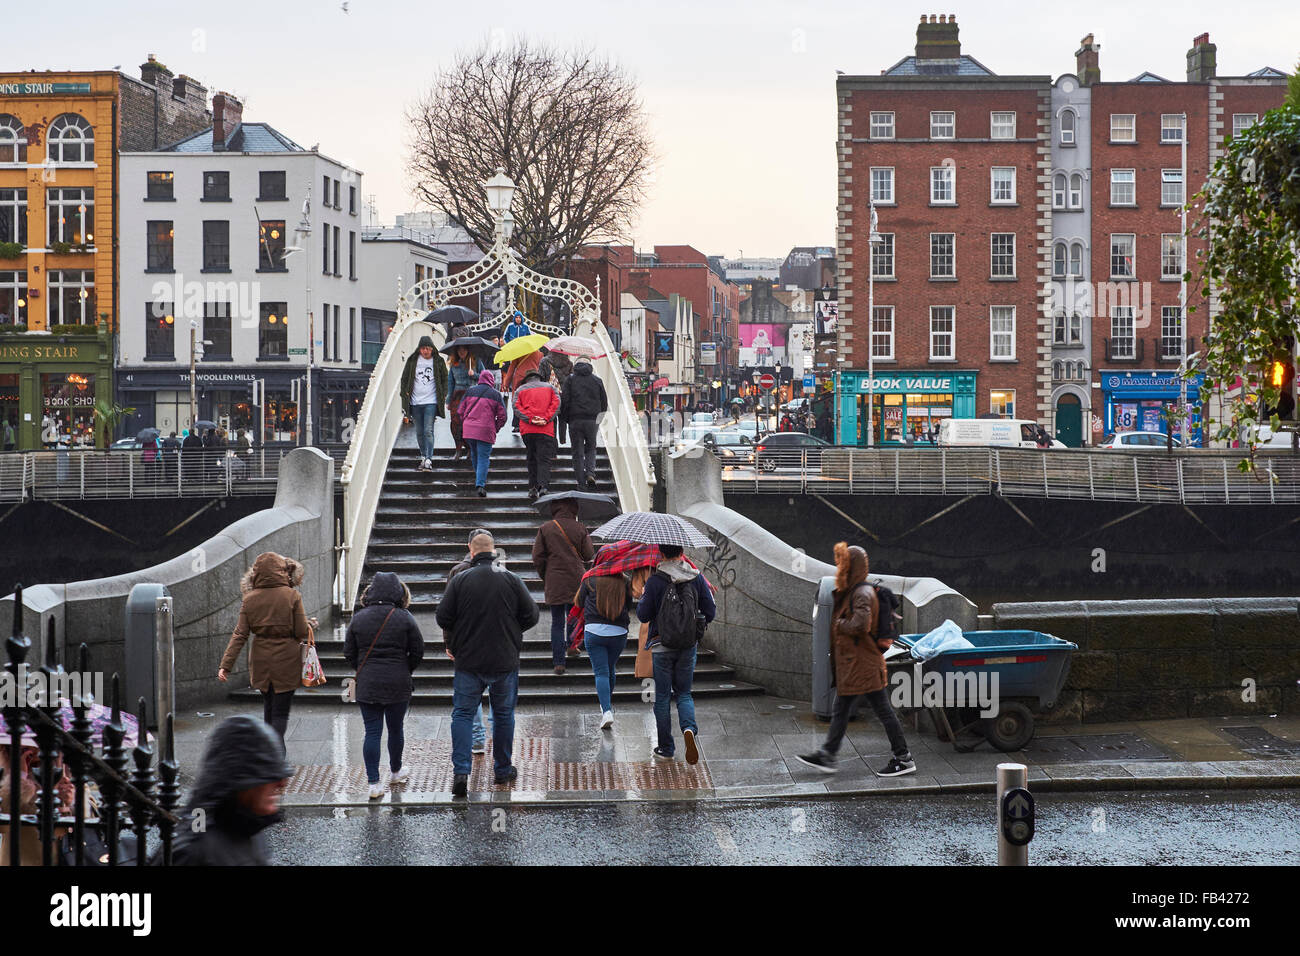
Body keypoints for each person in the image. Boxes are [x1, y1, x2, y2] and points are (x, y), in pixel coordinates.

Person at [795, 543, 915, 777]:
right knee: (841, 709)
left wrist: (840, 624)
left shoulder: (861, 593)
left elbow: (861, 624)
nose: (840, 569)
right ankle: (828, 754)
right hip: (855, 667)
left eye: (844, 565)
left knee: (883, 711)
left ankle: (904, 757)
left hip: (864, 667)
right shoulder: (855, 590)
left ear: (853, 567)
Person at [436, 530, 539, 796]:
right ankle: (502, 769)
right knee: (503, 715)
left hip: (469, 660)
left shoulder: (460, 580)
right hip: (504, 659)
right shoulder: (511, 578)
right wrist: (512, 631)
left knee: (462, 714)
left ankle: (461, 772)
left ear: (471, 550)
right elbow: (532, 615)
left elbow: (443, 617)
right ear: (494, 551)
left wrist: (460, 635)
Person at [164, 715, 292, 866]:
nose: (282, 783)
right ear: (241, 777)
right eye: (269, 773)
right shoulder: (194, 851)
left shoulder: (249, 823)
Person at [344, 571, 425, 800]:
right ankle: (396, 771)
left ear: (370, 593)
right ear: (399, 594)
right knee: (396, 728)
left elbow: (348, 651)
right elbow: (418, 650)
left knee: (371, 731)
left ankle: (373, 784)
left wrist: (363, 667)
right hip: (398, 682)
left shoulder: (359, 618)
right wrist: (405, 668)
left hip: (368, 683)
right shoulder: (404, 617)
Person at [636, 544, 716, 764]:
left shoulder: (655, 581)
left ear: (661, 553)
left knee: (662, 697)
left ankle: (666, 747)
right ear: (682, 553)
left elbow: (643, 615)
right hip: (688, 646)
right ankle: (689, 729)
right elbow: (711, 611)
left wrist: (646, 595)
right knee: (684, 693)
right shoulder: (696, 578)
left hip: (661, 646)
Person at [218, 552, 310, 739]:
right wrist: (309, 626)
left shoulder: (249, 599)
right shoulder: (292, 596)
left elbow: (240, 634)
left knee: (268, 708)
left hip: (261, 660)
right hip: (287, 660)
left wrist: (225, 666)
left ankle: (269, 754)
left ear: (257, 573)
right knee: (281, 712)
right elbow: (301, 631)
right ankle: (276, 754)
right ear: (282, 571)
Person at [447, 530, 499, 756]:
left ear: (470, 547)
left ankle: (477, 739)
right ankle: (499, 739)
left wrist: (449, 643)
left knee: (470, 697)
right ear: (492, 548)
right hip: (495, 644)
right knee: (499, 696)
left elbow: (448, 614)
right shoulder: (501, 573)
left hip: (466, 645)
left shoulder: (457, 572)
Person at [531, 499, 595, 675]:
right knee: (573, 615)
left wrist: (546, 574)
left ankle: (558, 663)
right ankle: (573, 646)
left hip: (554, 578)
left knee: (557, 622)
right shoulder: (580, 528)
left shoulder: (545, 528)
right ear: (574, 509)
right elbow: (589, 554)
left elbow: (537, 557)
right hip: (576, 578)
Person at [574, 560, 635, 730]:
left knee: (601, 672)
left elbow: (578, 602)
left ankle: (606, 710)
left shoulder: (589, 579)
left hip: (594, 631)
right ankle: (606, 704)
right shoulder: (625, 581)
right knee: (610, 668)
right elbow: (629, 606)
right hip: (619, 632)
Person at [400, 334, 448, 472]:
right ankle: (423, 455)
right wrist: (404, 395)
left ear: (432, 349)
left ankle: (429, 458)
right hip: (415, 401)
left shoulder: (438, 361)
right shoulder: (412, 360)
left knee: (428, 430)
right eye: (423, 349)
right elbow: (404, 379)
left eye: (428, 348)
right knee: (419, 432)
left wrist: (444, 394)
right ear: (419, 349)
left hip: (431, 401)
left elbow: (445, 378)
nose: (425, 351)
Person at [457, 368, 508, 496]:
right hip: (486, 430)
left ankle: (479, 478)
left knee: (474, 454)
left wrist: (467, 422)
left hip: (469, 431)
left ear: (480, 379)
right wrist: (495, 427)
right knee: (484, 457)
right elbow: (503, 416)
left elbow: (460, 411)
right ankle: (480, 485)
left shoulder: (469, 391)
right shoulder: (495, 394)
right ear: (491, 380)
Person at [560, 359, 608, 489]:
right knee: (591, 448)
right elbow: (604, 403)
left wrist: (567, 418)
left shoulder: (570, 380)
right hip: (592, 420)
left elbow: (565, 400)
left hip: (575, 420)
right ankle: (590, 473)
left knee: (577, 451)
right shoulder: (597, 380)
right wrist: (598, 419)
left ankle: (581, 482)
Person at [514, 368, 560, 499]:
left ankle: (532, 487)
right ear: (539, 377)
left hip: (528, 430)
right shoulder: (550, 388)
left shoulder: (520, 390)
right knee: (544, 459)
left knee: (531, 458)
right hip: (545, 429)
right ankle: (543, 486)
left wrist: (531, 418)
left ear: (526, 380)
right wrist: (546, 418)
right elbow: (556, 404)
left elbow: (516, 407)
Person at [447, 344, 485, 461]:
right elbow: (450, 383)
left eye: (464, 350)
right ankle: (458, 449)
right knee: (455, 423)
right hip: (457, 396)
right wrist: (449, 400)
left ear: (468, 350)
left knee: (469, 424)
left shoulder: (476, 361)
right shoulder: (454, 364)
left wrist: (474, 375)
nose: (461, 352)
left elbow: (485, 377)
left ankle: (470, 448)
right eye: (459, 350)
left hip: (472, 395)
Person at [503, 346, 544, 434]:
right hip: (534, 378)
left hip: (520, 379)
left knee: (517, 400)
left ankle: (517, 424)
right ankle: (530, 421)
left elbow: (511, 369)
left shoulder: (519, 352)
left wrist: (506, 383)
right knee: (530, 400)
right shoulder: (539, 354)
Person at [538, 348, 574, 444]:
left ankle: (553, 440)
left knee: (551, 417)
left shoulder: (544, 361)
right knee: (562, 417)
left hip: (549, 393)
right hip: (564, 394)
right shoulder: (569, 363)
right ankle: (562, 439)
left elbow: (540, 377)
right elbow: (571, 379)